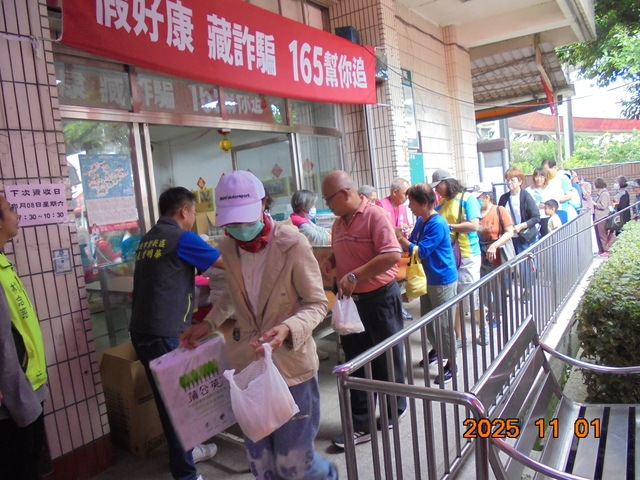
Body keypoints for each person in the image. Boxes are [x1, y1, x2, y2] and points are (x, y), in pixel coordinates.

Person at [180, 171, 337, 480]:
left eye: (244, 218)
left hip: (290, 365)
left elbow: (317, 303)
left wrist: (288, 329)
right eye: (232, 222)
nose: (239, 228)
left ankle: (328, 476)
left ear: (264, 204)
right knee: (262, 465)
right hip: (248, 367)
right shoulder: (229, 247)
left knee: (294, 463)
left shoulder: (292, 243)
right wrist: (208, 323)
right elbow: (232, 293)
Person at [129, 187, 223, 480]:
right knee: (178, 405)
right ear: (184, 210)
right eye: (193, 211)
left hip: (141, 331)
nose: (193, 217)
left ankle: (188, 450)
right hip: (164, 332)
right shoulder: (182, 237)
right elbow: (225, 263)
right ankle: (185, 474)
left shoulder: (148, 238)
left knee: (169, 401)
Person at [320, 171, 406, 448]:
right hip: (350, 302)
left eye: (328, 199)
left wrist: (355, 275)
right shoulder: (338, 223)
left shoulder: (375, 216)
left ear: (345, 194)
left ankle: (394, 410)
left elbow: (391, 254)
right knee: (355, 362)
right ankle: (361, 424)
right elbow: (342, 250)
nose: (326, 204)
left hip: (379, 300)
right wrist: (332, 260)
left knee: (385, 358)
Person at [0, 195, 48, 480]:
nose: (16, 215)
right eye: (10, 209)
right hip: (12, 398)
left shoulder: (3, 263)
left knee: (30, 459)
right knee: (18, 467)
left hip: (28, 387)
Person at [395, 183, 458, 383]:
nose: (409, 207)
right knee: (429, 320)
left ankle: (452, 364)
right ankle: (438, 350)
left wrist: (400, 238)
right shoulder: (422, 221)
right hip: (427, 279)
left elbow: (420, 251)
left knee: (444, 324)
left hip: (442, 279)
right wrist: (404, 237)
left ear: (423, 203)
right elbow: (413, 243)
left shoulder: (437, 223)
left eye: (412, 203)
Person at [431, 169, 481, 348]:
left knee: (472, 296)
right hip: (450, 256)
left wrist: (449, 226)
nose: (437, 190)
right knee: (456, 298)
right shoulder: (441, 204)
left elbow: (474, 225)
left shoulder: (468, 199)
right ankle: (459, 337)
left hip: (468, 254)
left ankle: (483, 329)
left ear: (447, 183)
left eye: (438, 186)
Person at [474, 183, 514, 344]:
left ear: (487, 197)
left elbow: (509, 232)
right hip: (479, 253)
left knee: (497, 287)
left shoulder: (499, 210)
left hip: (496, 253)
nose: (477, 200)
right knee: (482, 287)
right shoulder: (475, 213)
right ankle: (486, 312)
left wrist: (495, 245)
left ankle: (498, 315)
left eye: (479, 197)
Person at [378, 178, 414, 321]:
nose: (407, 198)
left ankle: (397, 306)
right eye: (405, 194)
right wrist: (395, 229)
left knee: (400, 280)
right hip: (386, 251)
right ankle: (394, 309)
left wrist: (408, 230)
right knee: (388, 280)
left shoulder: (403, 207)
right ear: (394, 192)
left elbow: (405, 225)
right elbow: (378, 229)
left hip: (400, 251)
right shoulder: (380, 205)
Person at [525, 167, 551, 236]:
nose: (539, 179)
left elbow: (555, 202)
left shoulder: (550, 188)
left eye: (542, 177)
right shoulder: (528, 190)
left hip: (546, 216)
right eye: (537, 177)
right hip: (533, 218)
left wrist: (546, 205)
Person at [592, 177, 612, 256]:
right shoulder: (600, 193)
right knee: (598, 234)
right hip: (598, 217)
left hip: (602, 217)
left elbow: (603, 206)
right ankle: (601, 250)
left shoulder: (604, 194)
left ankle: (606, 250)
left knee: (602, 235)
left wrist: (595, 204)